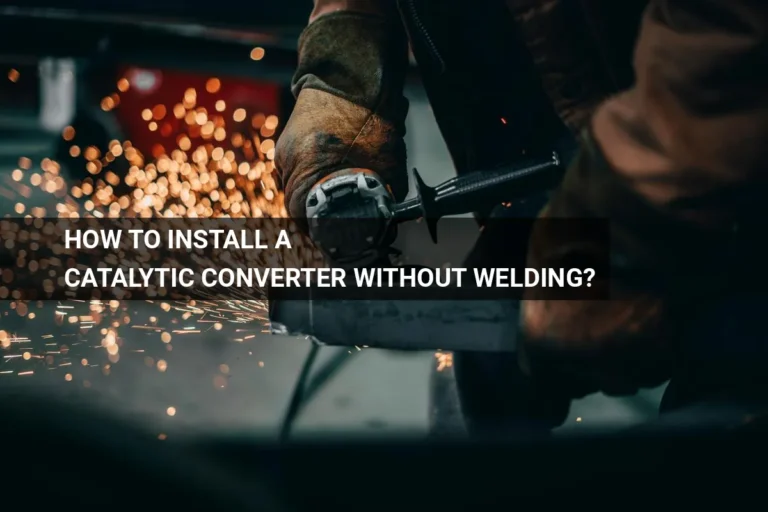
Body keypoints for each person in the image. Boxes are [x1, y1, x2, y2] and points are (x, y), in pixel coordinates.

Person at [276, 0, 768, 434]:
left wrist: (628, 233)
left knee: (718, 432)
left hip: (717, 174)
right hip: (558, 168)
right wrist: (343, 83)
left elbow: (725, 46)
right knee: (469, 374)